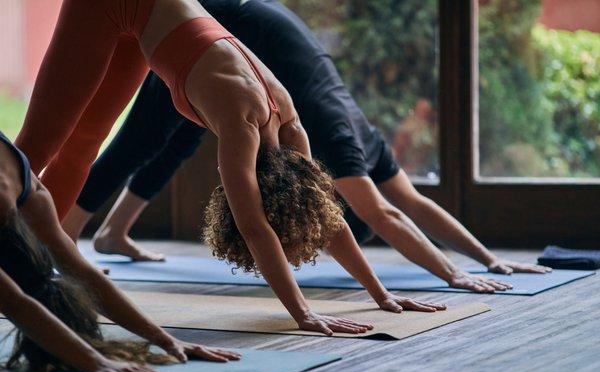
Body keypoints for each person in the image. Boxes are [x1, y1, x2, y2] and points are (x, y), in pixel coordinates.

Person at [63, 0, 550, 294]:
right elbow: (385, 216)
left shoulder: (340, 138)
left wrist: (486, 260)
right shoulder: (334, 143)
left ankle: (112, 233)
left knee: (180, 133)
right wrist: (452, 275)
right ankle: (65, 236)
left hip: (231, 27)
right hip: (204, 17)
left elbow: (408, 205)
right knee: (136, 143)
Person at [15, 0, 441, 335]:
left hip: (143, 17)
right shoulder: (243, 127)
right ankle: (10, 244)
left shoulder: (291, 128)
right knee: (36, 150)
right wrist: (303, 313)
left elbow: (329, 219)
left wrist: (382, 295)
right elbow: (255, 228)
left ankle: (25, 254)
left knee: (84, 147)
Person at [0, 130, 240, 372]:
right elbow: (16, 302)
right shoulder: (27, 188)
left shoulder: (24, 191)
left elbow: (76, 276)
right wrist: (96, 361)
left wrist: (166, 340)